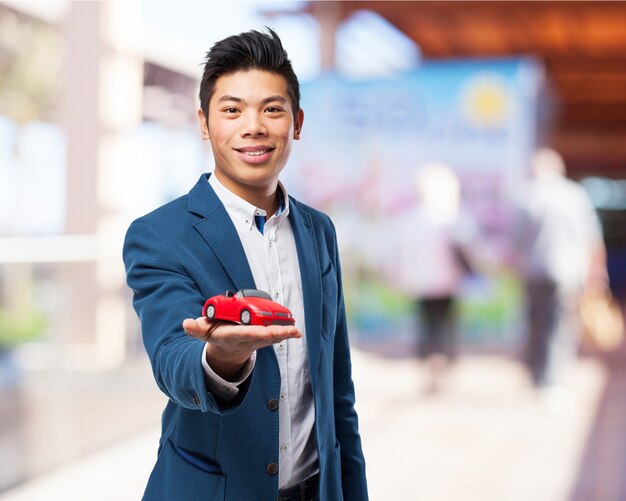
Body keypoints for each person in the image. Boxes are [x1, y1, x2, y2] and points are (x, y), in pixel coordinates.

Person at [123, 29, 368, 501]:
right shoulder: (159, 235)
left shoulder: (320, 232)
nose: (252, 126)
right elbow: (172, 356)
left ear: (296, 122)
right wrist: (221, 359)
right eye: (232, 110)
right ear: (204, 122)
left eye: (271, 109)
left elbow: (338, 394)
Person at [512, 147, 608, 396]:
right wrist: (596, 272)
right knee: (559, 325)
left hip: (533, 271)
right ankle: (552, 379)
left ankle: (537, 376)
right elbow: (591, 237)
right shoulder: (574, 196)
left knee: (536, 322)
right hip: (568, 272)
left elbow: (516, 241)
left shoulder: (526, 197)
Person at [385, 162, 470, 392]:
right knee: (445, 326)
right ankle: (443, 366)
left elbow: (398, 254)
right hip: (448, 281)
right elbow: (467, 249)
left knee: (427, 326)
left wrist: (398, 276)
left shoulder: (411, 219)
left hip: (421, 282)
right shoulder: (452, 216)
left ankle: (430, 366)